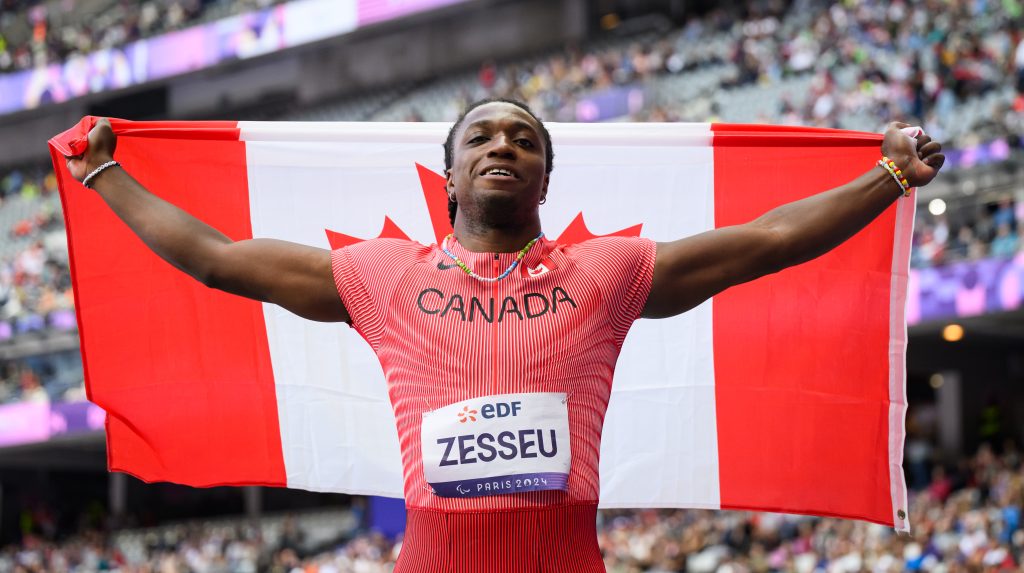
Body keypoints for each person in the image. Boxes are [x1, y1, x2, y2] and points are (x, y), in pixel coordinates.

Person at [64, 98, 945, 573]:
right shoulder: (380, 274)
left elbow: (768, 242)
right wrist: (105, 172)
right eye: (481, 134)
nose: (503, 144)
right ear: (449, 172)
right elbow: (219, 259)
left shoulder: (607, 273)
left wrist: (886, 176)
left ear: (543, 176)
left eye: (524, 138)